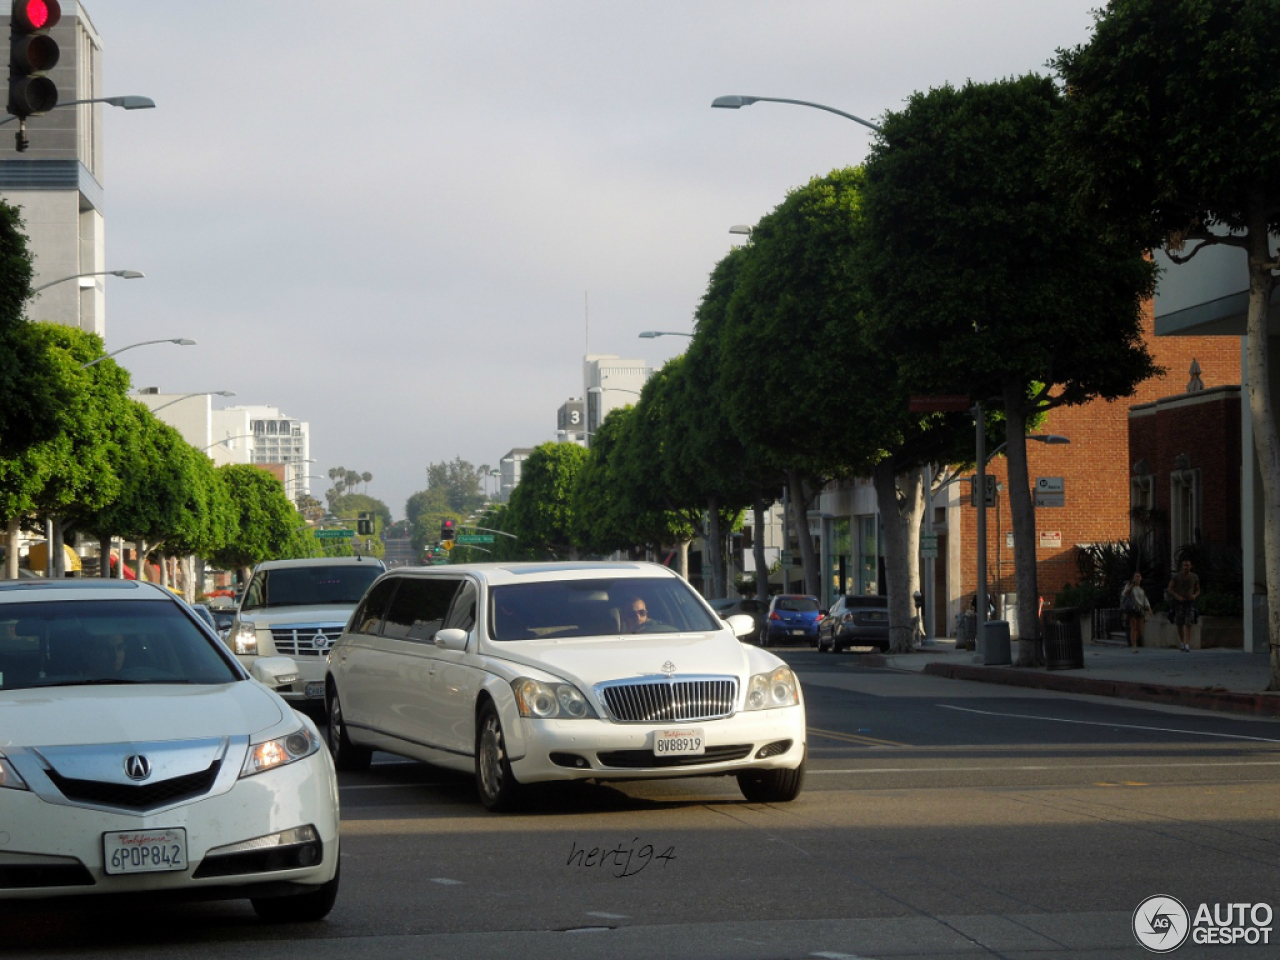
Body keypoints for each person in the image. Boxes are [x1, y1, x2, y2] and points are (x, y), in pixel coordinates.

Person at [1167, 559, 1201, 652]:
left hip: (1189, 602)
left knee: (1189, 623)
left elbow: (1198, 589)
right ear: (1182, 567)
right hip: (1179, 602)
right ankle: (1182, 642)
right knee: (1179, 623)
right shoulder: (1176, 576)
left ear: (1191, 566)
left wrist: (1194, 595)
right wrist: (1177, 596)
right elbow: (1170, 588)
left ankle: (1187, 643)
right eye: (1184, 566)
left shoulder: (1194, 577)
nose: (1186, 567)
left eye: (1187, 565)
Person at [1120, 573, 1152, 652]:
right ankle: (1134, 646)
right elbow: (1125, 594)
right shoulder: (1129, 586)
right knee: (1133, 628)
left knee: (1140, 628)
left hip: (1140, 609)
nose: (1137, 578)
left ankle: (1134, 641)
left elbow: (1145, 599)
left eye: (1138, 577)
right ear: (1133, 578)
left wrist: (1149, 609)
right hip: (1132, 609)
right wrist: (1131, 586)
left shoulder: (1141, 589)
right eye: (1135, 576)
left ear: (1141, 578)